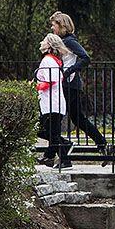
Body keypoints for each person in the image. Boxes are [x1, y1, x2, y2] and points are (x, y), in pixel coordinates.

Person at [49, 12, 108, 158]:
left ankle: (51, 154)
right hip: (70, 84)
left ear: (62, 25)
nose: (52, 27)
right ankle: (102, 143)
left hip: (69, 84)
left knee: (56, 118)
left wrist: (68, 71)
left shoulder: (69, 41)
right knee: (77, 118)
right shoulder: (63, 41)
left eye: (54, 24)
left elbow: (85, 58)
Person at [35, 34, 73, 168]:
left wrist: (34, 86)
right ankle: (50, 156)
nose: (41, 42)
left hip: (51, 103)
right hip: (54, 103)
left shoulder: (47, 61)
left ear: (49, 45)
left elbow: (50, 81)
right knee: (51, 133)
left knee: (49, 133)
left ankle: (64, 159)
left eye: (44, 41)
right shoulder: (55, 61)